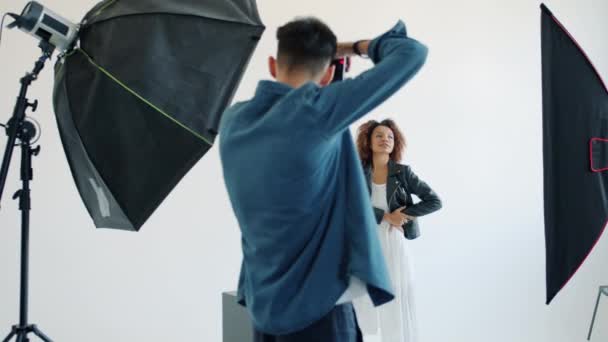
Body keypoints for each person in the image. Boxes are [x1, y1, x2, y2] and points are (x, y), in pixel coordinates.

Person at [219, 16, 428, 342]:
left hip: (263, 312)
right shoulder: (317, 112)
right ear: (329, 72)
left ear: (273, 65)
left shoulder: (233, 122)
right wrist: (355, 47)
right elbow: (412, 53)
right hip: (320, 315)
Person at [353, 119, 442, 342]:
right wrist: (385, 216)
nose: (385, 140)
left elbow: (434, 201)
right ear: (369, 141)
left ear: (395, 143)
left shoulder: (403, 173)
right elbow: (350, 204)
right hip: (366, 243)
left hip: (394, 243)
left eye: (390, 137)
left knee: (395, 301)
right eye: (379, 136)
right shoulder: (357, 172)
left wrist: (403, 216)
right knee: (362, 303)